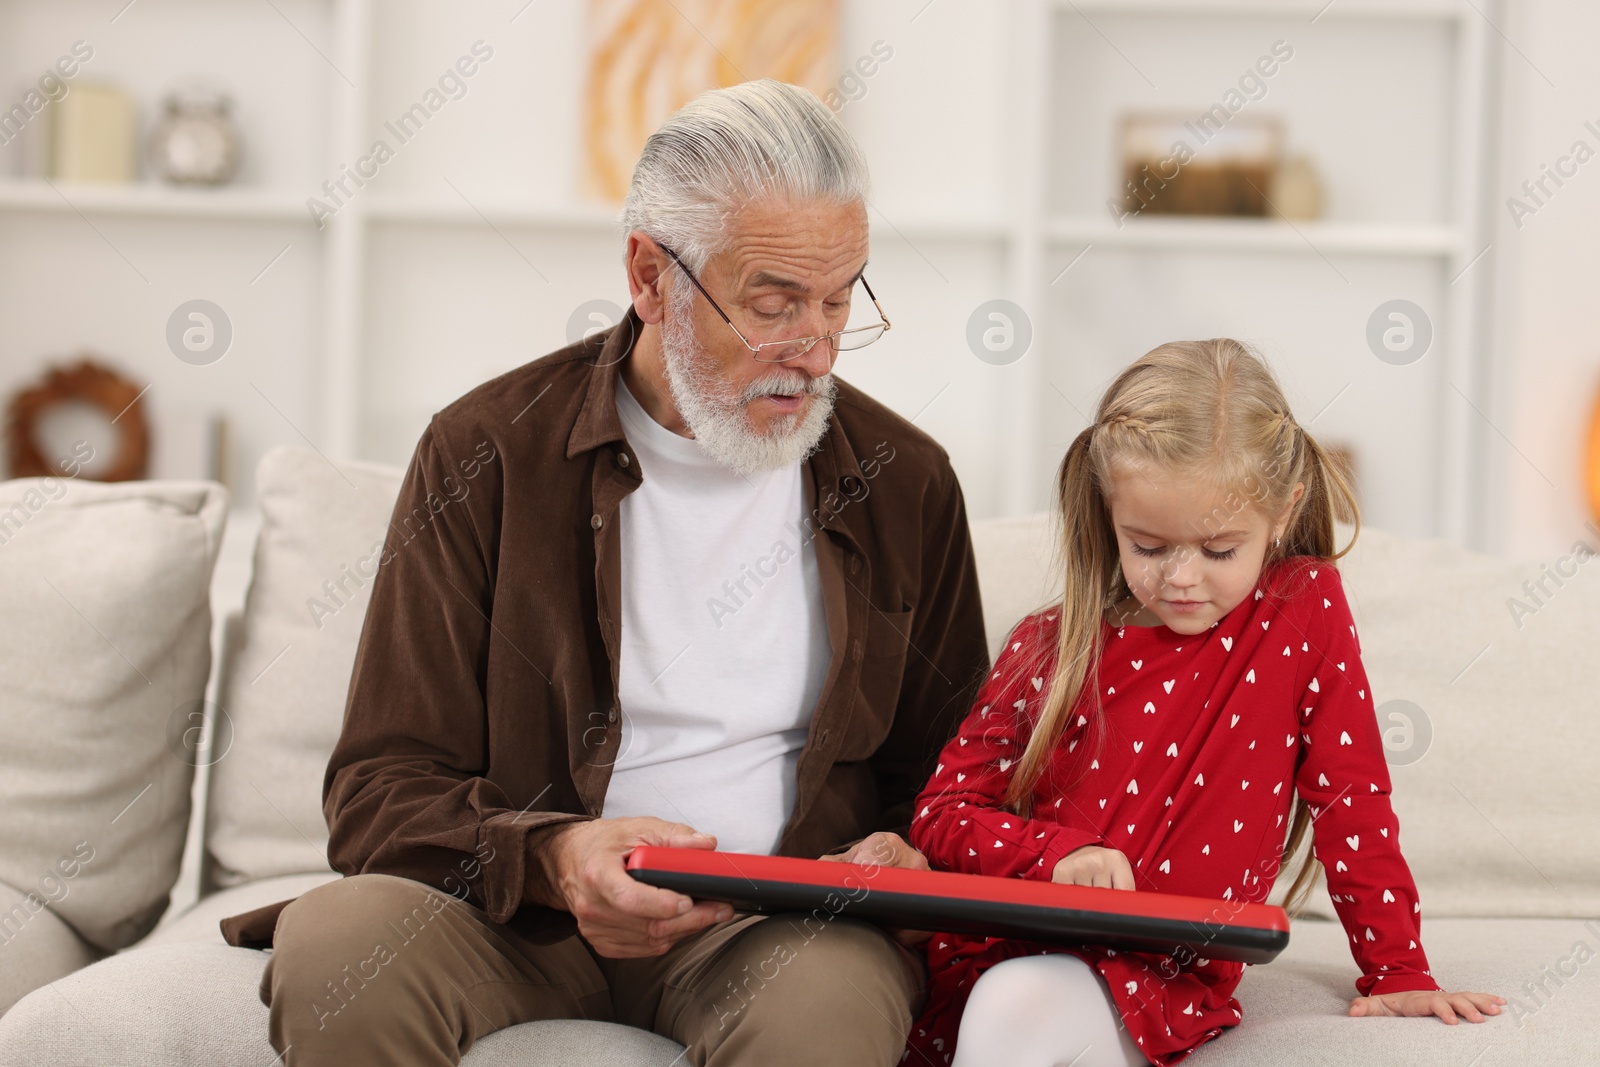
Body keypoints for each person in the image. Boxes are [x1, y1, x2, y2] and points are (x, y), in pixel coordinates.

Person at [220, 79, 990, 1066]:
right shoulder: (485, 452)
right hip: (515, 921)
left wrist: (907, 848)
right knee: (337, 946)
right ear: (649, 275)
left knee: (827, 1006)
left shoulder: (903, 480)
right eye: (773, 301)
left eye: (841, 300)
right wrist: (551, 856)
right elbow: (381, 786)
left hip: (773, 930)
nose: (815, 348)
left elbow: (956, 779)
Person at [903, 340, 1505, 1066]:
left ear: (1283, 511)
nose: (1182, 578)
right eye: (1148, 544)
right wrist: (1060, 853)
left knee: (1018, 1004)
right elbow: (941, 813)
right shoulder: (1047, 644)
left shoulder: (1301, 608)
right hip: (1018, 941)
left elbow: (1352, 798)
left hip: (1162, 971)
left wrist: (1399, 969)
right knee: (1007, 996)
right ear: (1108, 512)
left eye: (1219, 549)